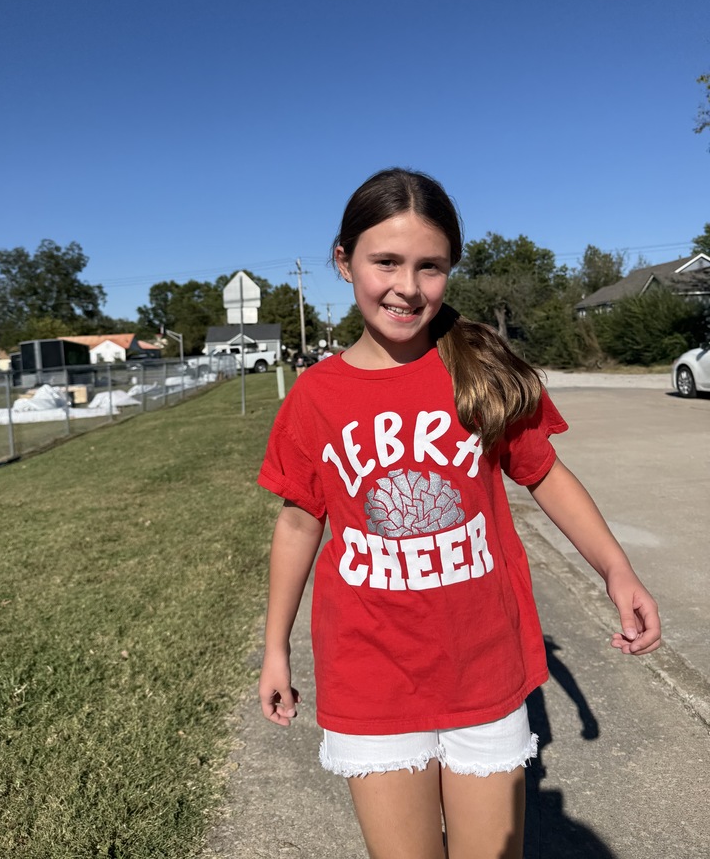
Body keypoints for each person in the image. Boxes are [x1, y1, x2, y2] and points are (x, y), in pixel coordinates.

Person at [257, 168, 661, 859]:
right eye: (385, 261)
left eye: (430, 266)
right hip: (371, 673)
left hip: (483, 668)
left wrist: (616, 569)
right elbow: (300, 521)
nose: (406, 287)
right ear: (343, 260)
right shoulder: (316, 397)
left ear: (450, 270)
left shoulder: (480, 370)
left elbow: (547, 475)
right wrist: (275, 648)